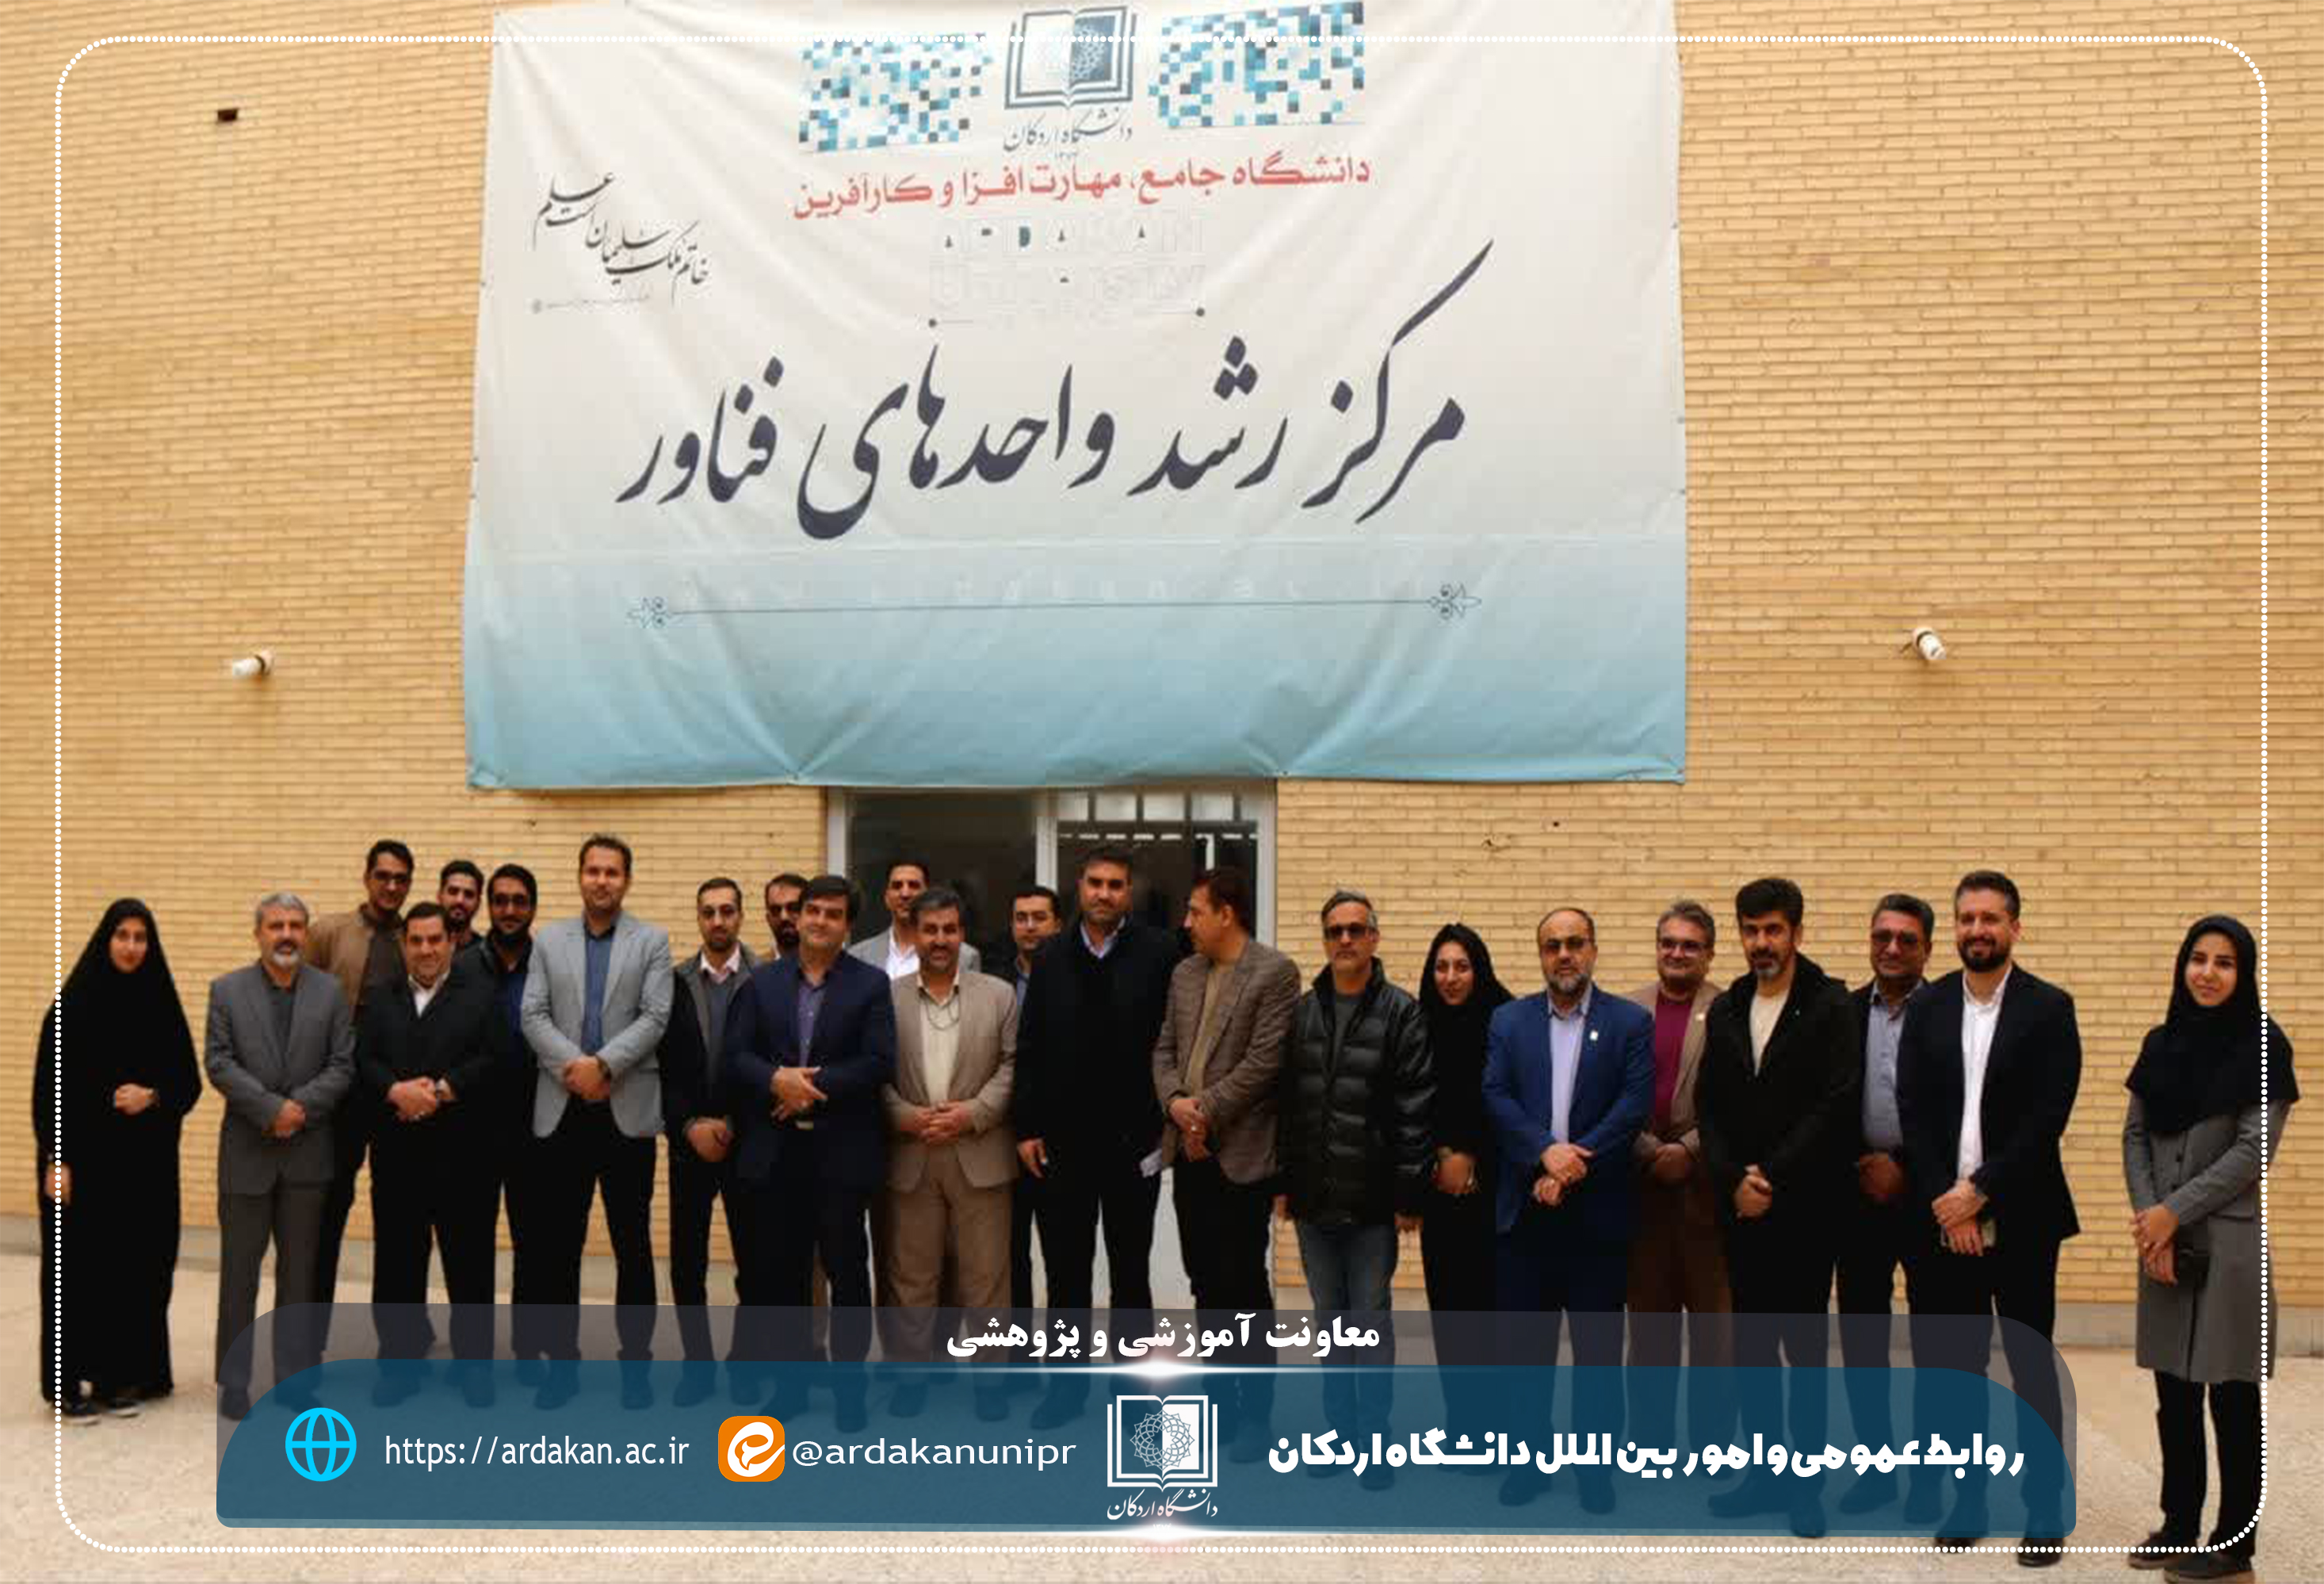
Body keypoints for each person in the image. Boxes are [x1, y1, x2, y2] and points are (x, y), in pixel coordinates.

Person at [1897, 870, 2080, 1563]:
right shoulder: (1928, 1006)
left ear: (2015, 928)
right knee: (1959, 1369)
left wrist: (1981, 1191)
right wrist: (1950, 1202)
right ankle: (1967, 1499)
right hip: (1946, 1219)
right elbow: (1913, 1111)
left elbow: (2046, 1118)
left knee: (2031, 1364)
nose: (1978, 930)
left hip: (2024, 1215)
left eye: (1991, 919)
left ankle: (2044, 1505)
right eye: (1967, 918)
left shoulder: (2049, 1008)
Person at [2123, 915, 2295, 1582]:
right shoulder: (2161, 1043)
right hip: (2162, 1242)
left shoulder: (2264, 1047)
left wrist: (2172, 1212)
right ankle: (2179, 1525)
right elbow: (2135, 1137)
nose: (2208, 973)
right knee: (2174, 1394)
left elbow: (2253, 1151)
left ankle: (2233, 1543)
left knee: (2232, 1397)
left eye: (2225, 962)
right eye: (2198, 958)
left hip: (2227, 1246)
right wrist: (2152, 1220)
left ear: (2243, 974)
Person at [1695, 877, 1858, 1539]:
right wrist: (1734, 1178)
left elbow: (1836, 1103)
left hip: (1805, 1210)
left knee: (1804, 1353)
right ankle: (1764, 1474)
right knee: (1754, 1350)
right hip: (1742, 1210)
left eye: (1773, 930)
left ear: (1797, 932)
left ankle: (1805, 1486)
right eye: (1751, 930)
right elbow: (1709, 1106)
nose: (1761, 942)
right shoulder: (1730, 1006)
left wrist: (1771, 1176)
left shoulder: (1830, 1004)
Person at [1483, 906, 1653, 1513]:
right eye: (1552, 944)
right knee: (1525, 1356)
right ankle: (1527, 1467)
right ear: (1540, 954)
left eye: (1575, 943)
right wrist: (1544, 1153)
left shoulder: (1630, 1022)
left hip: (1597, 1217)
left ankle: (1594, 1472)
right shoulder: (1508, 1020)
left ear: (1594, 950)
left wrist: (1574, 1163)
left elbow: (1633, 1105)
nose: (1564, 954)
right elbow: (1495, 1096)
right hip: (1527, 1214)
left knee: (1597, 1356)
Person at [1012, 844, 1181, 1429]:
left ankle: (1134, 1390)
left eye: (1115, 884)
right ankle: (1066, 1392)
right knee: (1066, 1275)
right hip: (1063, 1146)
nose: (1104, 893)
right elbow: (1030, 1046)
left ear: (1129, 893)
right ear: (1079, 888)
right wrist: (1027, 1127)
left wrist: (1164, 1123)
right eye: (1095, 883)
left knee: (1131, 1274)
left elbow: (1173, 1042)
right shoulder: (1051, 956)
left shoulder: (1160, 953)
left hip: (1134, 1144)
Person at [723, 874, 896, 1432]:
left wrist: (809, 1087)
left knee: (848, 1276)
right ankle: (791, 1388)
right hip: (778, 1156)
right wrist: (776, 1079)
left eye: (833, 914)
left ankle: (849, 1392)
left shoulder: (870, 985)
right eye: (813, 911)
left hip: (842, 1154)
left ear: (848, 926)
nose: (820, 921)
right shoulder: (762, 983)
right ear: (798, 918)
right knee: (785, 1279)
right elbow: (736, 1056)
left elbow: (878, 1062)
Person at [1279, 890, 1434, 1492]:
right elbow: (1288, 1105)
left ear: (1374, 937)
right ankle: (1338, 1434)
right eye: (1334, 931)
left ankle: (1374, 1439)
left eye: (1355, 930)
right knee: (1329, 1322)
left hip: (1372, 1204)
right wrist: (1284, 1184)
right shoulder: (1303, 1012)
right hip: (1314, 1199)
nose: (1344, 940)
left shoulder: (1402, 1013)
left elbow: (1414, 1109)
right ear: (1325, 940)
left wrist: (1408, 1195)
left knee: (1368, 1322)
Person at [519, 834, 673, 1408]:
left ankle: (636, 1368)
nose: (601, 880)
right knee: (560, 1247)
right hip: (563, 1111)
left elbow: (656, 1016)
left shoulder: (651, 941)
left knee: (633, 1245)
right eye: (593, 871)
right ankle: (562, 1366)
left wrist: (604, 1065)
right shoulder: (549, 940)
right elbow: (532, 1013)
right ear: (580, 875)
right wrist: (576, 1067)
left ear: (626, 880)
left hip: (625, 1111)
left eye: (612, 872)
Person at [1152, 867, 1299, 1462]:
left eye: (1196, 911)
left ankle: (1256, 1415)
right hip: (1190, 1156)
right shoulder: (1185, 973)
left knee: (1243, 1289)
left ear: (1226, 914)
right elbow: (1164, 1049)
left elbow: (1264, 1064)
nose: (1187, 922)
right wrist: (1174, 1103)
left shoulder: (1275, 972)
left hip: (1241, 1155)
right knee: (1205, 1286)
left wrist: (1202, 1114)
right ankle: (1219, 1408)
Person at [35, 900, 200, 1419]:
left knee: (136, 1270)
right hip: (84, 1166)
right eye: (122, 936)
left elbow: (188, 1083)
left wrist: (152, 1096)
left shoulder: (161, 1005)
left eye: (140, 938)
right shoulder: (71, 1008)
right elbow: (48, 1092)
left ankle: (120, 1376)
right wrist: (57, 1159)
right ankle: (65, 1384)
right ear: (105, 940)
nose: (131, 947)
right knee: (76, 1273)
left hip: (143, 1171)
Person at [204, 892, 355, 1420]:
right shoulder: (226, 990)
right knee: (238, 1277)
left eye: (295, 925)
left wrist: (299, 1110)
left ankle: (294, 1380)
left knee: (299, 1277)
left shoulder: (330, 992)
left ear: (306, 933)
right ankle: (235, 1381)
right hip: (247, 1155)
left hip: (307, 1157)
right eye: (276, 926)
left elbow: (342, 1064)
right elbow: (219, 1062)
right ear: (258, 934)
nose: (286, 934)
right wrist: (270, 1110)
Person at [357, 902, 515, 1406]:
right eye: (416, 941)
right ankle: (398, 1368)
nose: (425, 950)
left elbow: (497, 1059)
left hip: (465, 1159)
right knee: (397, 1266)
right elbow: (364, 1059)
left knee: (470, 1267)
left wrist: (445, 1090)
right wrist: (395, 1091)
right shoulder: (379, 998)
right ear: (404, 944)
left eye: (434, 940)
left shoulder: (482, 996)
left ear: (452, 943)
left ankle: (474, 1370)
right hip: (398, 1156)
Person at [879, 887, 1019, 1419]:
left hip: (979, 1152)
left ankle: (991, 1383)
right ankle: (911, 1379)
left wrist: (973, 1113)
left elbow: (1013, 1065)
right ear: (913, 934)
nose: (940, 940)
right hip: (912, 1153)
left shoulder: (998, 996)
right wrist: (904, 1116)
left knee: (987, 1279)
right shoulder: (886, 997)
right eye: (930, 930)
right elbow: (873, 1069)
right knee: (911, 1278)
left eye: (950, 930)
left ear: (963, 934)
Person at [1620, 901, 1734, 1462]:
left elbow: (1738, 1103)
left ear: (1709, 953)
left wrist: (1688, 1150)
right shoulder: (1627, 1011)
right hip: (1642, 1195)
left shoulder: (1730, 1011)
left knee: (1715, 1334)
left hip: (1705, 1197)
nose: (1677, 953)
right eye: (1668, 942)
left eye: (1690, 945)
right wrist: (1648, 1150)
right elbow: (1611, 1094)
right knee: (1648, 1331)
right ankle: (1650, 1441)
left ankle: (1712, 1443)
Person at [1833, 892, 1936, 1514]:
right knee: (1863, 1340)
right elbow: (1825, 1101)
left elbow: (1957, 1107)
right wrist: (1864, 1163)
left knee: (1935, 1345)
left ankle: (1928, 1478)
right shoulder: (1842, 1013)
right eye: (1882, 937)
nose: (1892, 948)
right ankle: (1876, 1470)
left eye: (1906, 939)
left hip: (1928, 1199)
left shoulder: (1950, 1011)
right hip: (1858, 1197)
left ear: (1927, 948)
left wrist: (1905, 1166)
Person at [302, 838, 413, 1329]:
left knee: (396, 1217)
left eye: (401, 879)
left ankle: (397, 1333)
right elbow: (297, 1004)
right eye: (383, 876)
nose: (391, 886)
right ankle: (309, 1333)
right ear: (367, 878)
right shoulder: (329, 933)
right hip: (338, 1094)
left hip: (391, 1094)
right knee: (327, 1214)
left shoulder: (413, 939)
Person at [660, 878, 763, 1406]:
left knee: (754, 1262)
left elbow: (770, 1060)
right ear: (698, 918)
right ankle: (696, 1367)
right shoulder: (673, 983)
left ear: (741, 916)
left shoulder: (765, 980)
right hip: (689, 1144)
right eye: (708, 912)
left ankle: (744, 1363)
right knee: (687, 1263)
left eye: (727, 911)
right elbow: (663, 1068)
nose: (718, 921)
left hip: (748, 1142)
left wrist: (735, 1124)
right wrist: (688, 1127)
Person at [1415, 922, 1512, 1454]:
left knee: (1490, 1313)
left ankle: (1498, 1427)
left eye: (1462, 966)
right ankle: (1463, 1426)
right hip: (1439, 1193)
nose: (1450, 978)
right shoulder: (1418, 1024)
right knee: (1449, 1311)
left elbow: (1512, 1103)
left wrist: (1470, 1155)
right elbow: (1407, 1102)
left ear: (1480, 970)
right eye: (1441, 967)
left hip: (1492, 1193)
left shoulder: (1506, 1020)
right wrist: (1439, 1157)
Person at [468, 863, 541, 1371]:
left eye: (519, 901)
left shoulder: (550, 965)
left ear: (532, 907)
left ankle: (528, 1349)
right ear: (489, 906)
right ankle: (474, 1356)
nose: (509, 910)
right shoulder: (464, 965)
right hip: (472, 1126)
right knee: (472, 1245)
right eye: (501, 900)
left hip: (535, 1126)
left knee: (533, 1245)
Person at [1000, 884, 1063, 1314]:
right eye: (1021, 918)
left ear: (1057, 924)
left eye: (1039, 918)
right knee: (1010, 1257)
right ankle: (1018, 1349)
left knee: (1063, 1259)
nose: (1030, 927)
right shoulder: (992, 980)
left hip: (1056, 1139)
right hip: (1000, 1136)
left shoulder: (1073, 978)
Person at [849, 859, 980, 978]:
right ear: (887, 898)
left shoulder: (965, 956)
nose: (905, 894)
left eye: (913, 885)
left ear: (928, 896)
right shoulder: (859, 955)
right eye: (897, 886)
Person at [437, 859, 484, 953]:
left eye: (469, 894)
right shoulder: (421, 947)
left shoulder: (487, 954)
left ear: (478, 903)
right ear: (440, 896)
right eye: (453, 892)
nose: (460, 900)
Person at [763, 872, 808, 961]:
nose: (784, 917)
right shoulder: (757, 967)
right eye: (776, 910)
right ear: (768, 919)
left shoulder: (831, 965)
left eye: (793, 908)